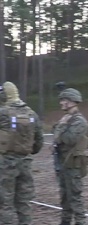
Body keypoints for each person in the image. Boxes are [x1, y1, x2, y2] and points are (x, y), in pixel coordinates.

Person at [0, 81, 44, 225]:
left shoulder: (3, 113)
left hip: (6, 164)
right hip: (25, 163)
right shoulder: (32, 114)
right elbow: (39, 142)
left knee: (5, 203)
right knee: (24, 203)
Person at [52, 88, 88, 225]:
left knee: (75, 198)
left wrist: (61, 126)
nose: (61, 103)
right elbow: (56, 136)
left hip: (73, 164)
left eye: (64, 100)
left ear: (71, 102)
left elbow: (68, 139)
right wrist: (61, 127)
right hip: (64, 164)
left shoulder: (79, 121)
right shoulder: (67, 119)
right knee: (65, 199)